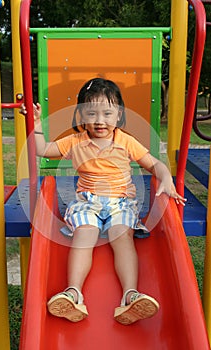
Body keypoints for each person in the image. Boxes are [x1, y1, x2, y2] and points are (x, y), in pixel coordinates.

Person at [21, 78, 186, 325]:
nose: (100, 120)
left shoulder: (125, 141)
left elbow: (155, 164)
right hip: (87, 202)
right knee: (84, 234)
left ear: (118, 115)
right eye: (91, 113)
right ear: (80, 116)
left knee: (122, 236)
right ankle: (73, 293)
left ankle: (130, 295)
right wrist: (35, 125)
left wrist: (166, 178)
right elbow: (43, 149)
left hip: (120, 202)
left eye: (108, 113)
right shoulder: (75, 142)